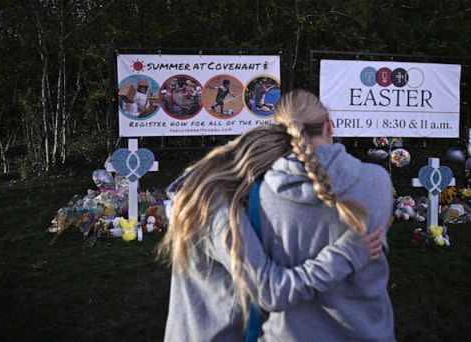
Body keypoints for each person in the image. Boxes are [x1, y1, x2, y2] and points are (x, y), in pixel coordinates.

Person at [159, 123, 386, 341]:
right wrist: (349, 253)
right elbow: (270, 290)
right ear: (262, 167)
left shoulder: (210, 196)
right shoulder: (215, 212)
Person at [256, 89, 395, 341]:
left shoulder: (261, 195)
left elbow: (267, 288)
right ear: (329, 126)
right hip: (367, 333)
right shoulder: (379, 180)